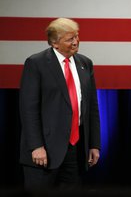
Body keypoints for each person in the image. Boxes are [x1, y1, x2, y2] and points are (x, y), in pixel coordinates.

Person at [19, 18, 100, 191]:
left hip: (75, 151)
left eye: (77, 37)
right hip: (44, 151)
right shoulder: (36, 63)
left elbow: (92, 107)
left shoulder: (85, 63)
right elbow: (28, 109)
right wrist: (36, 146)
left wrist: (94, 144)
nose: (76, 42)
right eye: (70, 39)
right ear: (54, 43)